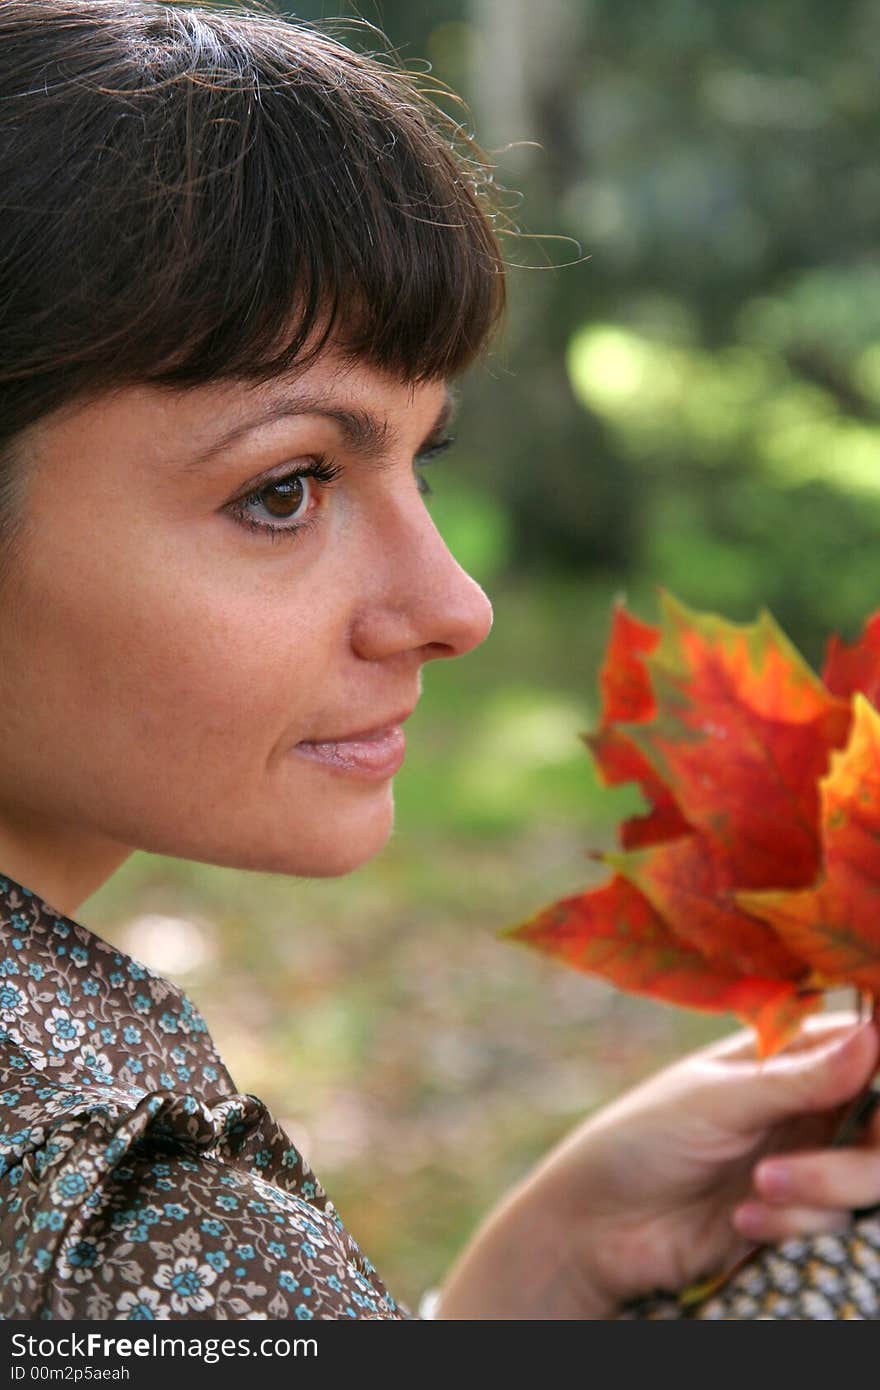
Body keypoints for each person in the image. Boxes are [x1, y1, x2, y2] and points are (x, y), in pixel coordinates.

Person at [1, 0, 879, 1322]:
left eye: (425, 455)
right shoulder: (120, 1208)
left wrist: (529, 1277)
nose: (455, 605)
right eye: (288, 488)